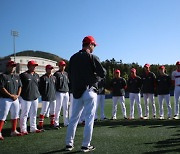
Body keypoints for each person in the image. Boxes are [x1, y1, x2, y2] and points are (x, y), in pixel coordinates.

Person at [65, 36, 106, 152]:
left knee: (73, 119)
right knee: (89, 119)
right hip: (89, 91)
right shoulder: (92, 57)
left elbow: (70, 75)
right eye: (94, 45)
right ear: (90, 44)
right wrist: (94, 76)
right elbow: (103, 73)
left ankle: (69, 144)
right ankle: (85, 145)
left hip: (76, 92)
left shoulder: (73, 58)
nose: (94, 47)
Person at [0, 61, 22, 140]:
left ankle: (13, 131)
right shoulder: (3, 76)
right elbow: (1, 88)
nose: (13, 67)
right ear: (7, 66)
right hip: (5, 99)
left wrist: (17, 95)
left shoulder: (16, 76)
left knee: (15, 115)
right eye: (11, 66)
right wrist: (10, 95)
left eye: (14, 66)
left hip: (15, 99)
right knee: (3, 116)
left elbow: (20, 86)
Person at [19, 60, 42, 134]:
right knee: (24, 114)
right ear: (28, 66)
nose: (34, 67)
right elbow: (20, 86)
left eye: (35, 65)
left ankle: (33, 128)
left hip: (35, 97)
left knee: (34, 113)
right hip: (25, 97)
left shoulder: (37, 75)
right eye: (33, 65)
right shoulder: (23, 75)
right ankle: (23, 129)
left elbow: (38, 86)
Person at [38, 65, 56, 129]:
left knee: (53, 111)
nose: (50, 70)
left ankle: (52, 124)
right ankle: (40, 125)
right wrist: (43, 94)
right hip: (46, 97)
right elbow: (40, 88)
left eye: (51, 69)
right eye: (49, 69)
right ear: (46, 69)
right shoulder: (43, 78)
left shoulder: (54, 77)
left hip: (53, 97)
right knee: (44, 111)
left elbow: (55, 87)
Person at [54, 60, 69, 128]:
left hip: (66, 92)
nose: (63, 67)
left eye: (64, 65)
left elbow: (68, 83)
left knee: (66, 108)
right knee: (58, 108)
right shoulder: (56, 74)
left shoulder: (66, 73)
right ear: (59, 66)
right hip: (59, 92)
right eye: (62, 65)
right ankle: (56, 123)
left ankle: (66, 122)